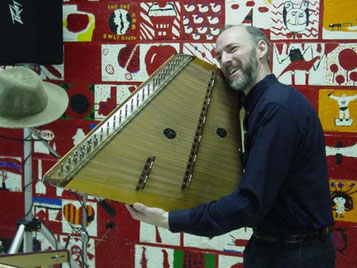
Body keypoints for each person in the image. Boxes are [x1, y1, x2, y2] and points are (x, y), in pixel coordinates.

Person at [126, 25, 336, 267]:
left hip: (295, 255)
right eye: (218, 55)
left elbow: (250, 203)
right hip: (272, 247)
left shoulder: (277, 109)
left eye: (232, 48)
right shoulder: (258, 105)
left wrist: (167, 219)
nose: (224, 60)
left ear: (261, 49)